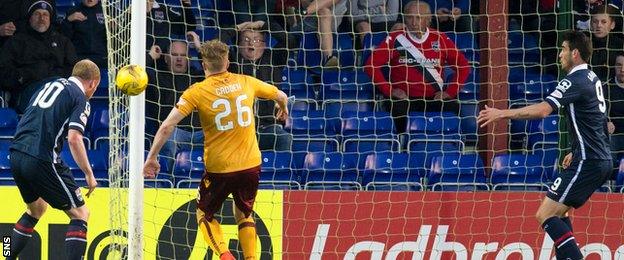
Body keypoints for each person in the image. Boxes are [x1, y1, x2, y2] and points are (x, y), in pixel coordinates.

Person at [143, 39, 289, 260]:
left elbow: (167, 126)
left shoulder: (197, 91)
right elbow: (281, 96)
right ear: (227, 61)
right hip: (251, 164)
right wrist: (283, 109)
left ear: (203, 65)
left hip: (219, 168)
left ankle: (224, 255)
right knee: (244, 213)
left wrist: (151, 158)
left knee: (204, 213)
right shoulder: (246, 81)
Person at [477, 31, 612, 260]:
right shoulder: (593, 79)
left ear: (575, 53)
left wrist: (501, 113)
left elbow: (542, 110)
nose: (560, 55)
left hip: (589, 160)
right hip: (595, 158)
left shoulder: (574, 80)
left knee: (545, 214)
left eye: (564, 49)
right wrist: (575, 149)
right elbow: (603, 124)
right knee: (559, 213)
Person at [7, 59, 100, 260]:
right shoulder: (80, 97)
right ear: (93, 83)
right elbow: (74, 138)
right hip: (41, 158)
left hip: (15, 153)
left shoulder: (49, 85)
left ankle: (7, 255)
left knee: (36, 209)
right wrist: (89, 173)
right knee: (81, 214)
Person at [364, 0, 469, 133]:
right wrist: (389, 90)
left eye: (418, 17)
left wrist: (450, 92)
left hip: (433, 98)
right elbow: (370, 65)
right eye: (409, 17)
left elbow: (463, 66)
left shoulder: (440, 38)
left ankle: (448, 145)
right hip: (405, 99)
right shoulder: (395, 38)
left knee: (453, 108)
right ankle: (402, 146)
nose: (414, 22)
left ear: (428, 19)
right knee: (397, 108)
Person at [213, 20, 293, 151]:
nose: (251, 44)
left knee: (284, 138)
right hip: (238, 128)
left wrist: (264, 25)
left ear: (264, 45)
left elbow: (291, 41)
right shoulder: (232, 61)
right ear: (239, 45)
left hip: (267, 127)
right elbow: (214, 46)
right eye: (246, 40)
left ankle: (280, 171)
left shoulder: (274, 59)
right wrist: (239, 27)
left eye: (257, 40)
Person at [0, 0, 78, 113]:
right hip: (28, 92)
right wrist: (24, 75)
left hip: (58, 88)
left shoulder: (63, 42)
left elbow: (75, 70)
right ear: (30, 18)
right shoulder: (16, 42)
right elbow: (4, 73)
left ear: (50, 19)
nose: (42, 18)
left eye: (45, 14)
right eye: (37, 14)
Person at [145, 39, 204, 164]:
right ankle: (169, 180)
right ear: (166, 58)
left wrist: (199, 49)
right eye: (174, 55)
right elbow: (135, 75)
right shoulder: (156, 76)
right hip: (175, 132)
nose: (179, 59)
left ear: (188, 59)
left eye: (183, 55)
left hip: (201, 132)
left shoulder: (198, 77)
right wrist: (150, 56)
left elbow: (216, 70)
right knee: (169, 137)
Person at [61, 0, 108, 69]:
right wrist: (68, 21)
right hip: (79, 59)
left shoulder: (107, 12)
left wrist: (115, 28)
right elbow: (63, 39)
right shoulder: (72, 12)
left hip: (102, 59)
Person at [589, 4, 624, 83]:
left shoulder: (620, 45)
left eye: (604, 22)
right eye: (595, 21)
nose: (599, 25)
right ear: (591, 24)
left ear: (612, 25)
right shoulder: (584, 44)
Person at [605, 53, 624, 166]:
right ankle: (608, 181)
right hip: (613, 136)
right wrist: (605, 123)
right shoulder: (605, 88)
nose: (622, 69)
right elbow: (597, 113)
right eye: (619, 65)